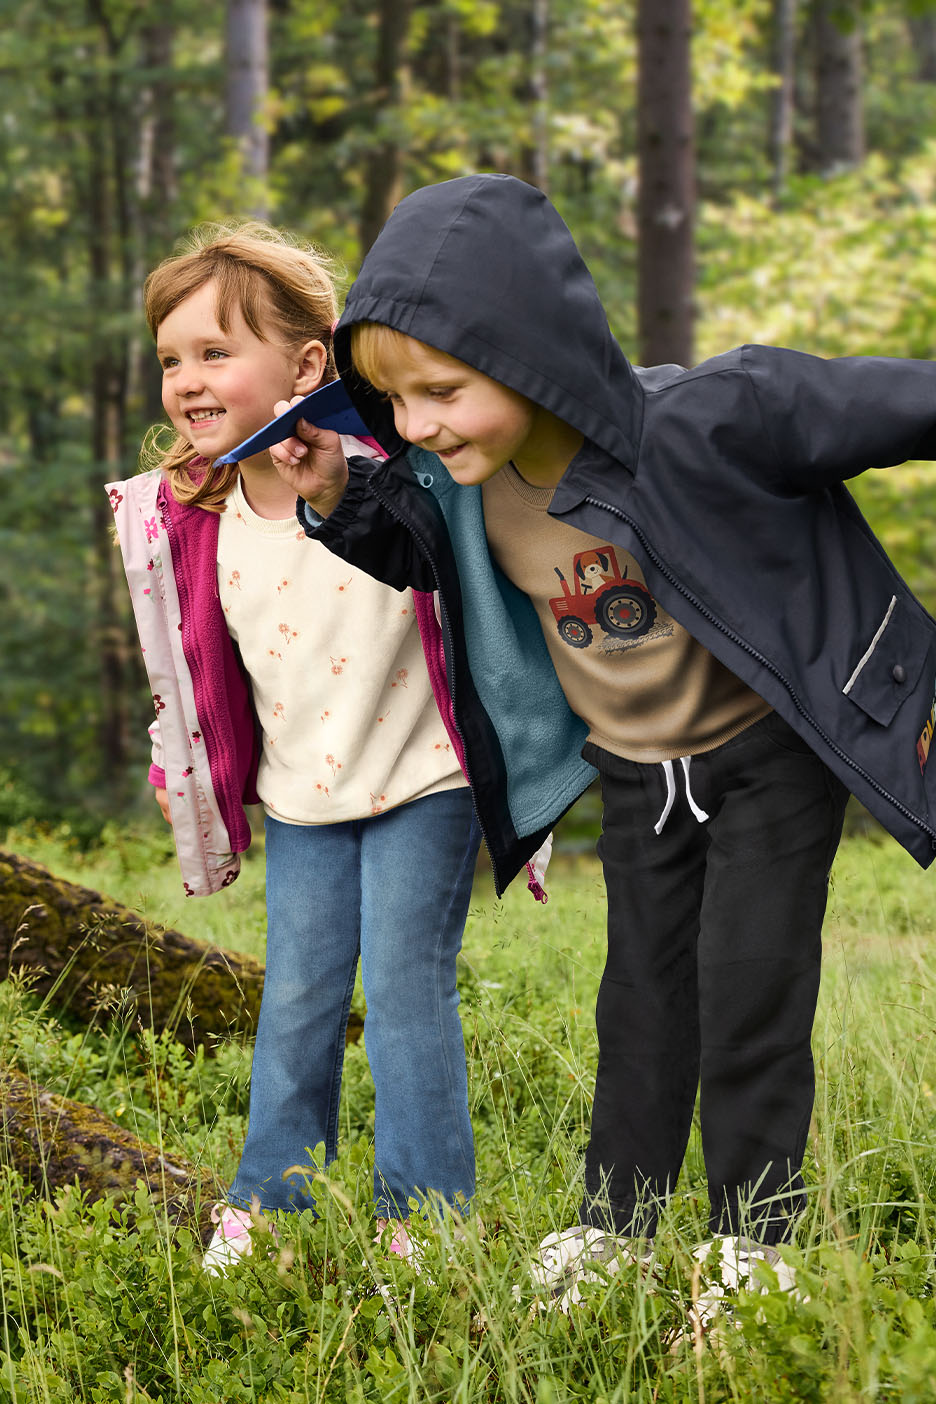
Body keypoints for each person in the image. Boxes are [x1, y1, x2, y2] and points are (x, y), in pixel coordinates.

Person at [269, 173, 936, 1317]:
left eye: (443, 390)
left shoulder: (712, 420)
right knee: (638, 999)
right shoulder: (461, 486)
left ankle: (753, 1244)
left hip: (762, 762)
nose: (416, 425)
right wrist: (336, 494)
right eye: (395, 400)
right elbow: (421, 554)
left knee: (749, 990)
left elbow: (889, 403)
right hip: (636, 776)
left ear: (528, 355)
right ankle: (615, 1224)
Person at [107, 222, 486, 1275]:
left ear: (310, 362)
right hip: (303, 795)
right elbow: (184, 663)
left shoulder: (391, 469)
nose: (188, 379)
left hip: (424, 776)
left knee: (407, 989)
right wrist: (183, 766)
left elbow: (461, 578)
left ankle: (425, 1218)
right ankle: (269, 1204)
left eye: (215, 352)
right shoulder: (188, 513)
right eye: (172, 358)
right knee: (299, 996)